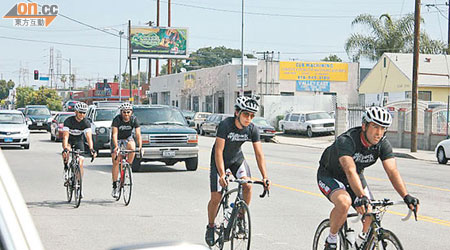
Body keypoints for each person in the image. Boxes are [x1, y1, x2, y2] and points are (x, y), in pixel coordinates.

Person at [317, 106, 420, 249]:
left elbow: (392, 171)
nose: (379, 132)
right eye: (375, 126)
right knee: (344, 202)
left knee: (370, 212)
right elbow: (350, 169)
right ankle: (332, 239)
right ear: (364, 126)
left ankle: (361, 242)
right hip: (330, 175)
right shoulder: (347, 141)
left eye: (383, 128)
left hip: (355, 177)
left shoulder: (382, 144)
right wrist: (360, 196)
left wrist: (406, 196)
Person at [205, 95, 271, 246]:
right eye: (246, 114)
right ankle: (210, 226)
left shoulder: (252, 129)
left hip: (236, 160)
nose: (249, 118)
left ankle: (240, 218)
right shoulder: (225, 125)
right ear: (237, 113)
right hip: (219, 160)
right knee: (216, 197)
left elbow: (259, 154)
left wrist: (265, 177)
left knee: (248, 185)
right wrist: (222, 174)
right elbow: (218, 151)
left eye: (252, 115)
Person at [62, 102, 97, 197]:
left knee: (80, 163)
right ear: (75, 112)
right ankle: (66, 168)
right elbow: (65, 137)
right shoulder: (68, 121)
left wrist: (91, 149)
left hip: (78, 141)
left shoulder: (86, 122)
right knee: (67, 152)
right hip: (69, 140)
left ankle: (79, 185)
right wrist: (65, 148)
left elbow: (89, 137)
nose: (82, 115)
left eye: (84, 113)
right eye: (80, 112)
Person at [110, 102, 142, 198]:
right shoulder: (117, 119)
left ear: (131, 112)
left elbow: (138, 134)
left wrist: (140, 147)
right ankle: (115, 186)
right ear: (121, 112)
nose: (126, 114)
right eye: (124, 112)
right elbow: (114, 134)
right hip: (117, 139)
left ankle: (129, 166)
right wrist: (116, 147)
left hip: (127, 138)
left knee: (132, 147)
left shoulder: (134, 119)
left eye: (128, 112)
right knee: (116, 161)